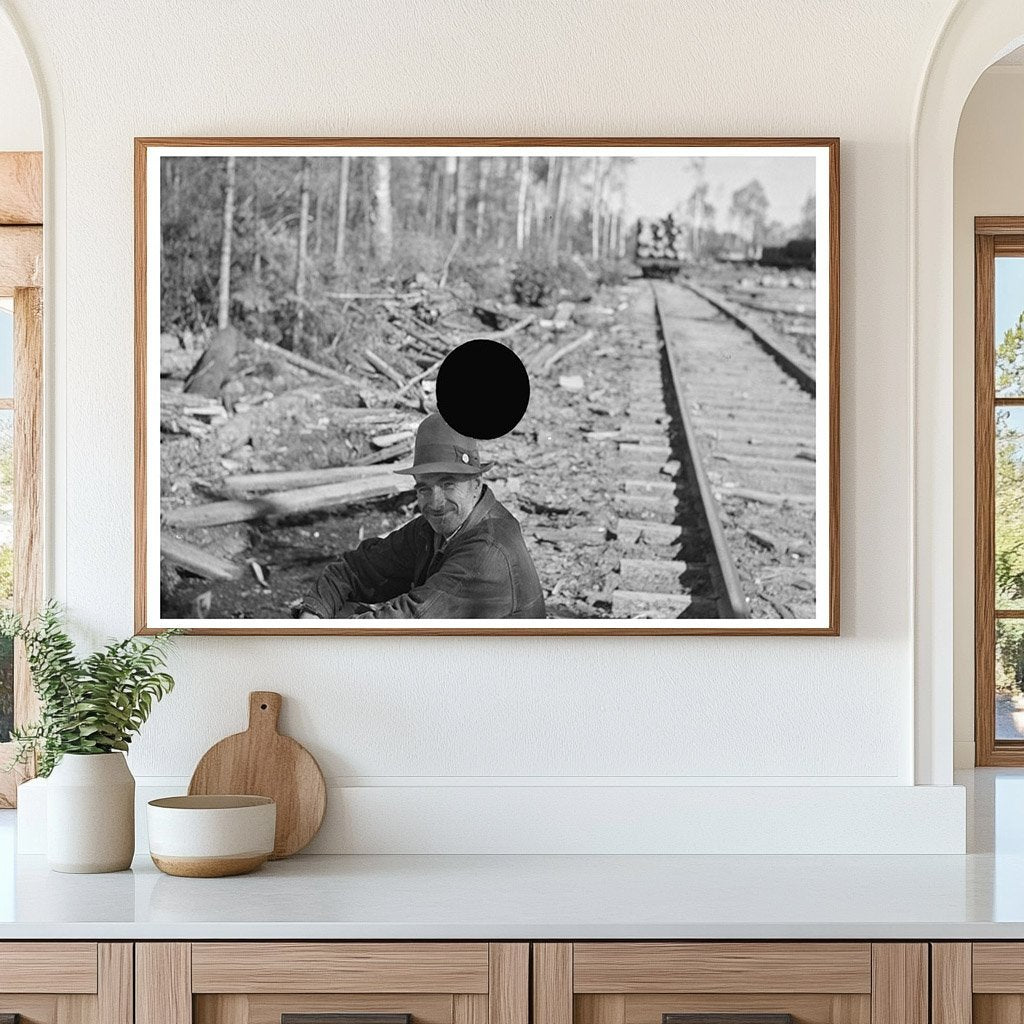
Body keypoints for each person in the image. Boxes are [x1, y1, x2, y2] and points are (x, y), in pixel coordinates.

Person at [296, 413, 545, 619]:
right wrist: (313, 611)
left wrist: (315, 636)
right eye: (424, 488)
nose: (435, 503)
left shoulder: (487, 552)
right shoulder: (433, 530)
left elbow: (407, 622)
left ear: (476, 484)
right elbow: (358, 568)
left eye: (448, 485)